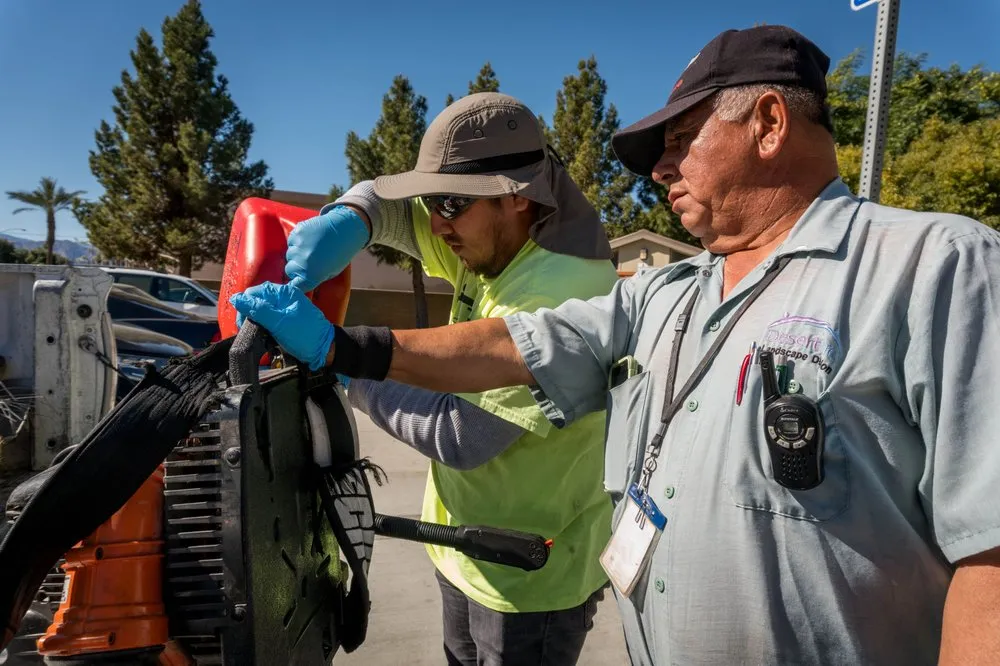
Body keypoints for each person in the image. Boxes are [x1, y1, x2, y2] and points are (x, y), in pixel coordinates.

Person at [231, 25, 1000, 665]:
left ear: (768, 123)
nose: (661, 169)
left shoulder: (936, 267)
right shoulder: (672, 290)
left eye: (682, 139)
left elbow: (990, 554)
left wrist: (345, 362)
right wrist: (350, 332)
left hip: (531, 583)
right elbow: (521, 344)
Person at [245, 92, 619, 665]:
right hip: (461, 545)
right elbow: (388, 207)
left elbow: (461, 434)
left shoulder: (557, 286)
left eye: (450, 204)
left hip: (528, 575)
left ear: (517, 197)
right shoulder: (494, 235)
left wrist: (341, 364)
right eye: (432, 201)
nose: (436, 223)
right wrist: (352, 217)